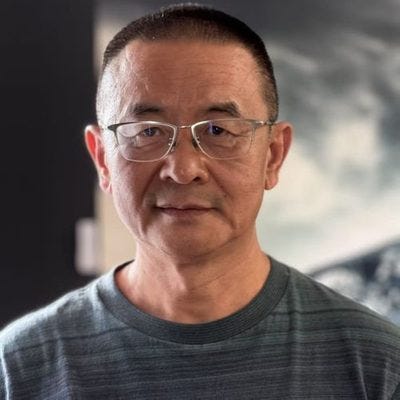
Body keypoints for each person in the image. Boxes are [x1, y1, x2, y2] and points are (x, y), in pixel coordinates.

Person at [1, 4, 399, 399]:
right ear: (103, 159)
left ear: (273, 155)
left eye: (218, 130)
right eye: (148, 131)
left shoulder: (377, 366)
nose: (183, 169)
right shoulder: (19, 370)